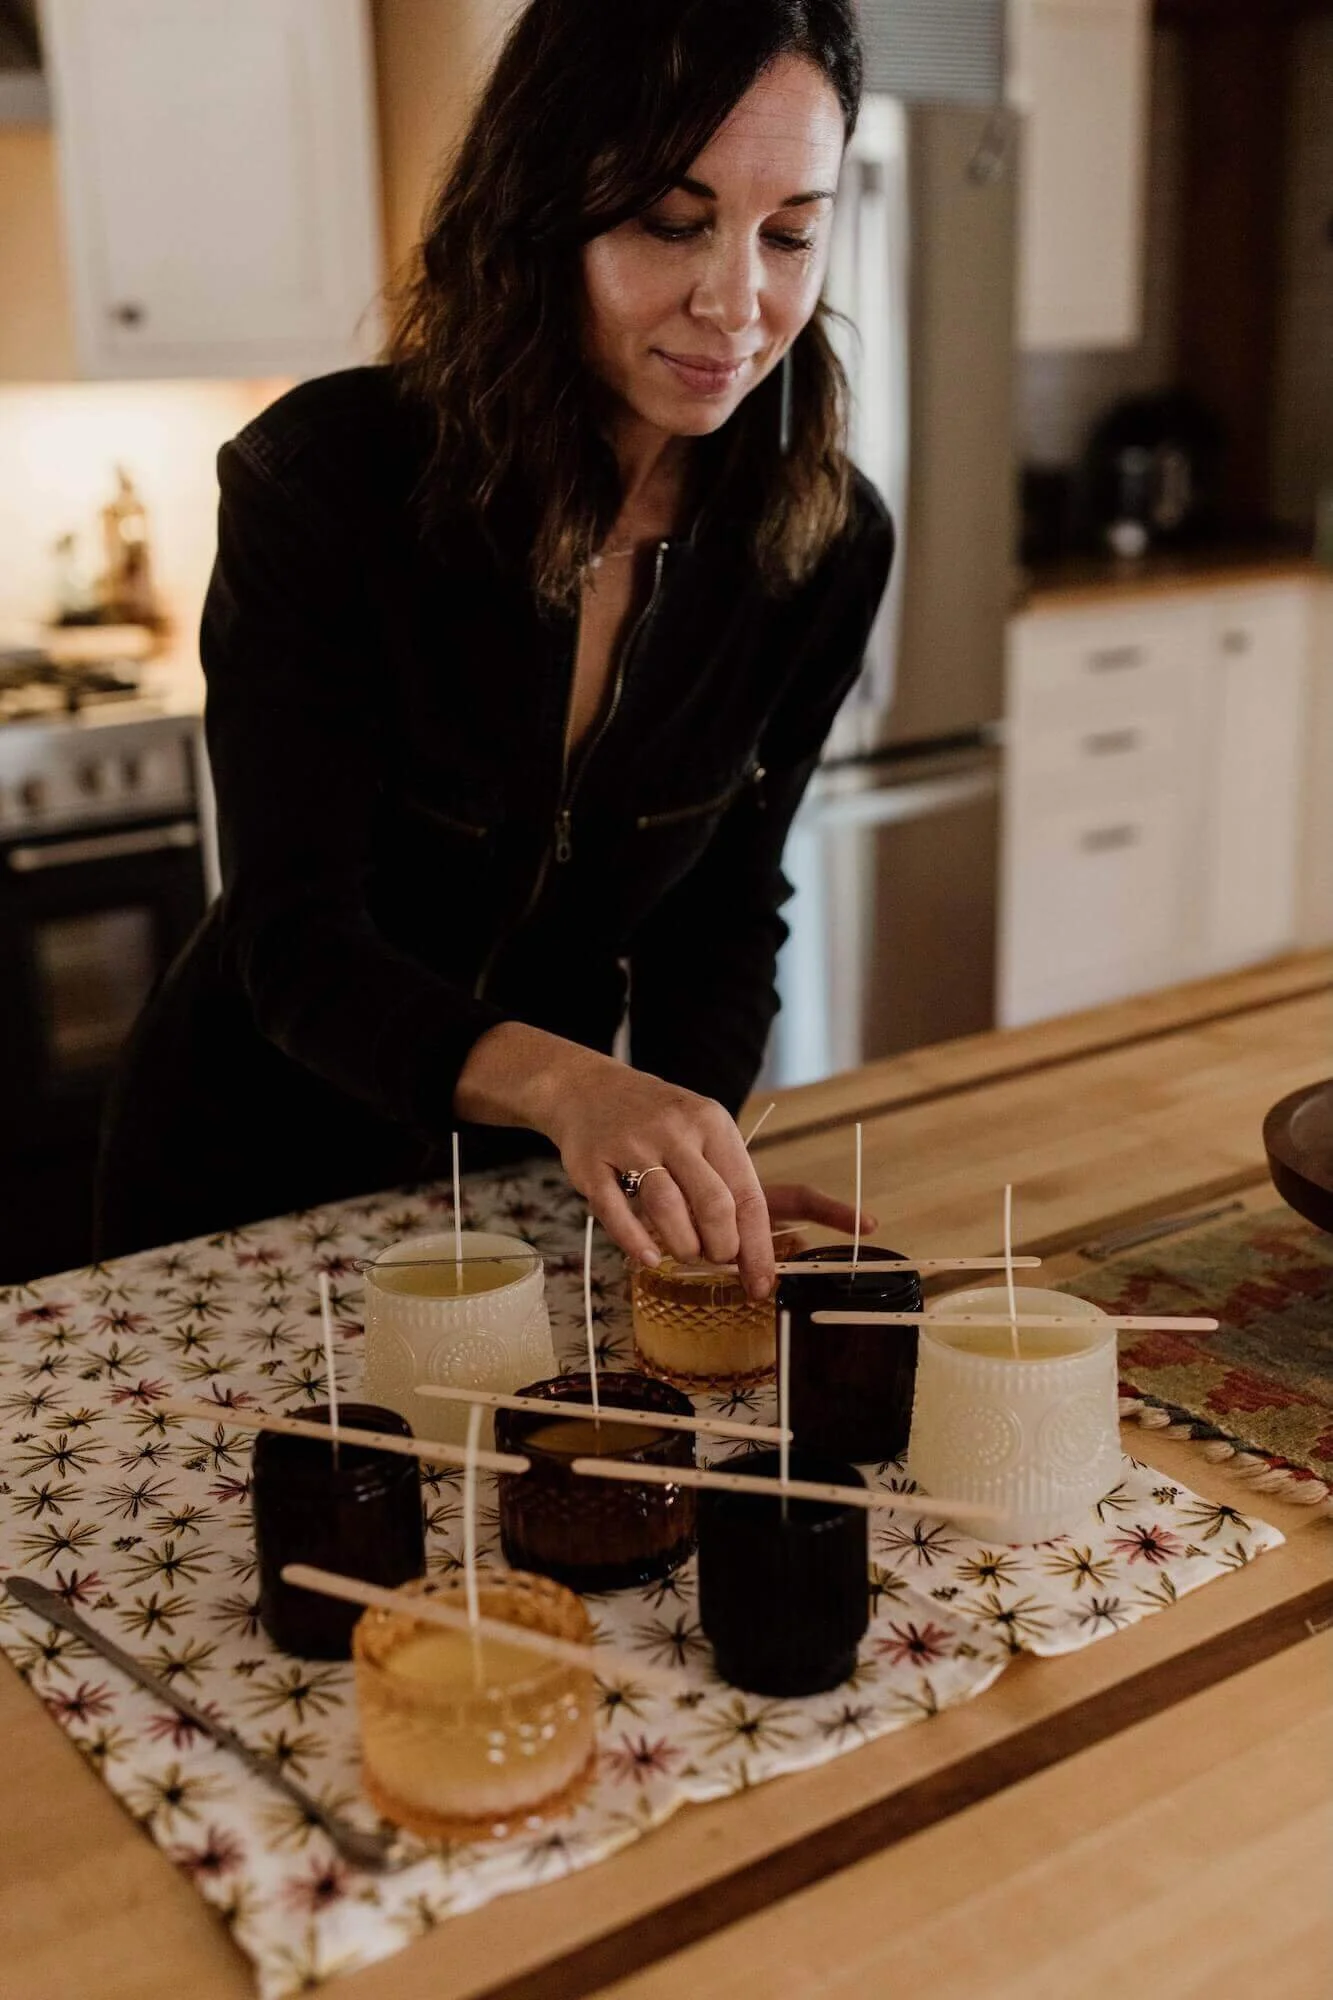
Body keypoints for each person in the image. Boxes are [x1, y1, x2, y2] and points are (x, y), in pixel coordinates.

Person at [95, 0, 894, 1298]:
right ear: (543, 210)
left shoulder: (823, 544)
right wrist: (581, 1090)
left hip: (527, 1201)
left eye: (790, 232)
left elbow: (725, 919)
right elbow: (294, 943)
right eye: (671, 222)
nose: (739, 302)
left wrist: (687, 1157)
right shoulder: (327, 486)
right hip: (240, 1187)